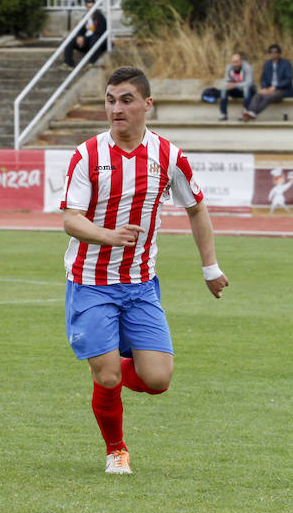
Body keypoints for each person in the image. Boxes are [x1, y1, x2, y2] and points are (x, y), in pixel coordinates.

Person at [60, 66, 229, 475]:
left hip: (140, 285)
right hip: (92, 282)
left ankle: (111, 360)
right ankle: (116, 449)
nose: (116, 109)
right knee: (106, 377)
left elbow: (196, 209)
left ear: (147, 104)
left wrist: (210, 267)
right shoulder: (88, 155)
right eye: (110, 100)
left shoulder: (169, 156)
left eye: (126, 100)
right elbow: (71, 219)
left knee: (157, 379)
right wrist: (108, 236)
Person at [243, 44, 293, 121]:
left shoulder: (286, 64)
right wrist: (265, 88)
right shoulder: (267, 64)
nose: (273, 54)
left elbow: (288, 79)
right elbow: (263, 79)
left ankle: (252, 113)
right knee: (258, 95)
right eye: (271, 52)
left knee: (269, 97)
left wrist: (275, 87)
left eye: (275, 52)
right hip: (269, 89)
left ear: (279, 53)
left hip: (283, 90)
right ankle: (250, 113)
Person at [63, 0, 107, 68]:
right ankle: (68, 63)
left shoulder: (100, 17)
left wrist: (84, 38)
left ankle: (92, 62)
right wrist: (79, 37)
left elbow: (99, 33)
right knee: (70, 41)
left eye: (92, 6)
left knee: (94, 39)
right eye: (88, 7)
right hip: (85, 41)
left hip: (96, 41)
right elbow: (80, 30)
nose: (90, 9)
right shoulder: (85, 17)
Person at [218, 52, 254, 121]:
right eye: (233, 62)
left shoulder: (247, 67)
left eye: (237, 62)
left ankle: (245, 114)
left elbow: (249, 82)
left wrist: (235, 85)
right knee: (223, 89)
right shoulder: (229, 67)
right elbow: (226, 81)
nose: (235, 64)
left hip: (249, 91)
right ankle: (223, 114)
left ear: (241, 61)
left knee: (246, 88)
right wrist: (228, 85)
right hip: (236, 90)